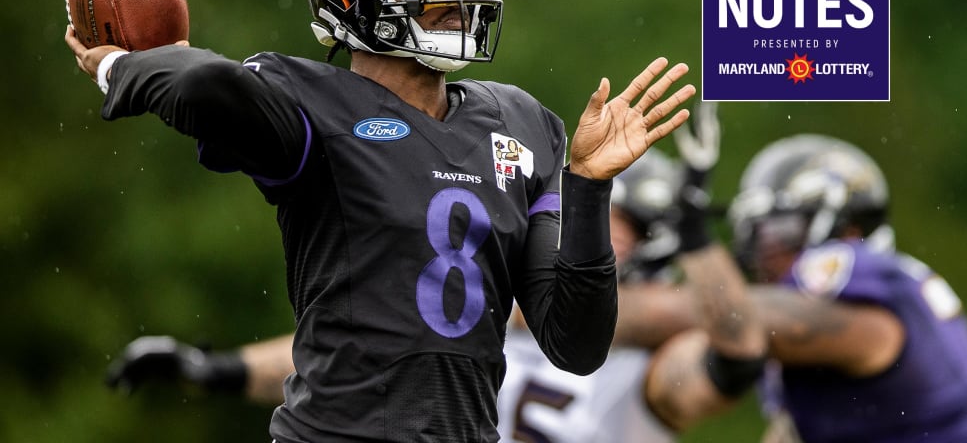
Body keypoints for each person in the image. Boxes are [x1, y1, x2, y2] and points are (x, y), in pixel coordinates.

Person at [65, 0, 696, 443]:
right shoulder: (309, 102)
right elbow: (205, 87)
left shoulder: (524, 125)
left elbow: (576, 343)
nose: (463, 4)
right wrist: (125, 64)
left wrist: (587, 187)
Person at [106, 147, 687, 442]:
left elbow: (724, 335)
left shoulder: (669, 354)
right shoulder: (507, 299)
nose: (589, 234)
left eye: (615, 222)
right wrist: (214, 368)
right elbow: (353, 351)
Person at [642, 133, 967, 443]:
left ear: (848, 228)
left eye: (780, 228)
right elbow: (683, 392)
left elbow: (745, 324)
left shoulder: (849, 273)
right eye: (756, 232)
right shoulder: (817, 333)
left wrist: (693, 243)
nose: (764, 247)